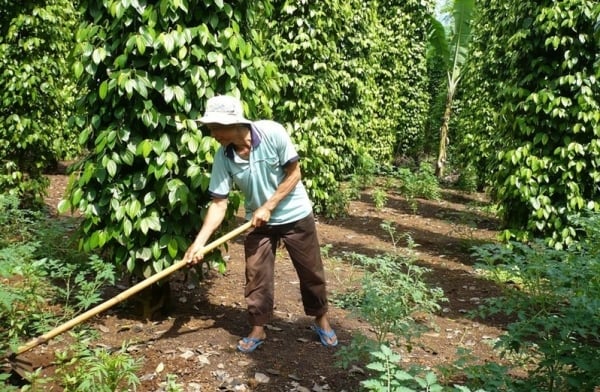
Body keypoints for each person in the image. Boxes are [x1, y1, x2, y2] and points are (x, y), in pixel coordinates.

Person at [183, 95, 337, 353]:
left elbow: (294, 173)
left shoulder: (272, 133)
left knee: (311, 271)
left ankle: (321, 318)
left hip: (295, 215)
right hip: (257, 223)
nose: (212, 134)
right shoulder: (224, 156)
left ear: (232, 123)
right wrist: (198, 244)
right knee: (256, 275)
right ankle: (258, 327)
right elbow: (219, 203)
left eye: (215, 128)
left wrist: (269, 206)